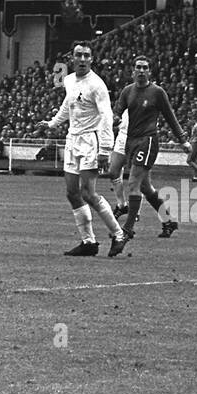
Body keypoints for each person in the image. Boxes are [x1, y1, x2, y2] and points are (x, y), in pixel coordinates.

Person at [35, 41, 127, 257]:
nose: (83, 59)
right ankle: (88, 242)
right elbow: (67, 106)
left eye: (87, 55)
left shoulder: (97, 85)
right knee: (72, 192)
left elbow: (106, 117)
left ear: (92, 59)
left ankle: (119, 234)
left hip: (91, 142)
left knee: (88, 192)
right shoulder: (68, 80)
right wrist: (51, 124)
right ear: (73, 58)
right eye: (79, 55)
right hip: (73, 140)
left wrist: (105, 149)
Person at [109, 54, 190, 242]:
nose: (142, 71)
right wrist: (115, 118)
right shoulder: (127, 91)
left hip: (148, 141)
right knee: (145, 187)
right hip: (131, 142)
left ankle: (127, 230)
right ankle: (169, 220)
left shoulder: (157, 92)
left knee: (133, 183)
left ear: (150, 71)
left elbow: (170, 117)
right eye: (139, 67)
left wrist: (183, 140)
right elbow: (117, 110)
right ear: (133, 70)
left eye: (145, 67)